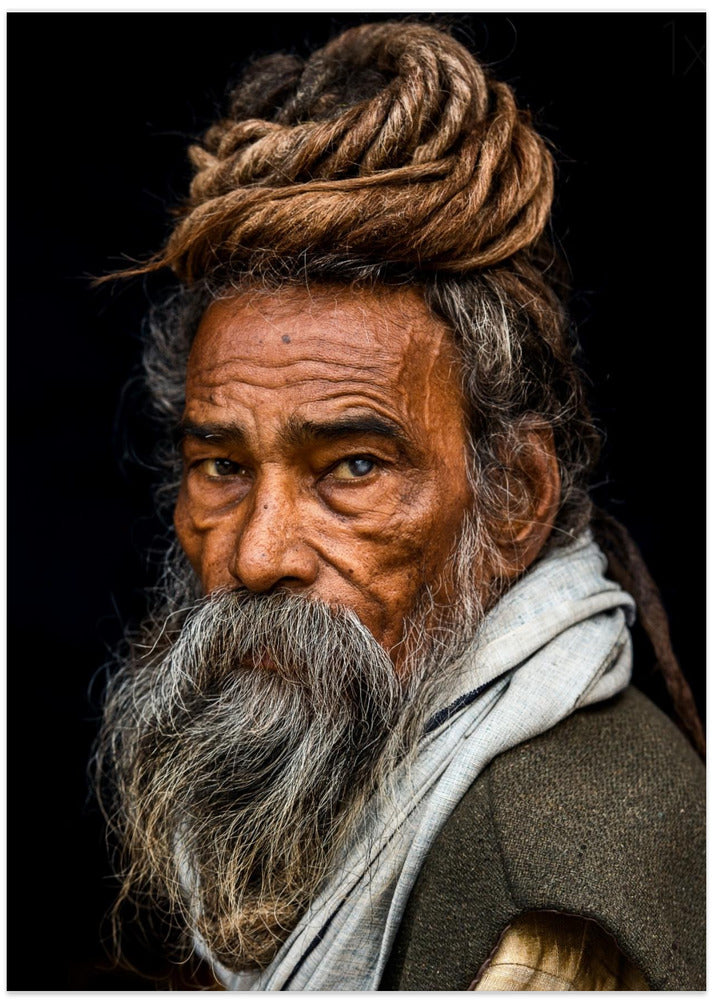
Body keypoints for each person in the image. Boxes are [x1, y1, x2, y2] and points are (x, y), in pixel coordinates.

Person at [96, 20, 705, 991]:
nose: (256, 556)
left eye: (351, 467)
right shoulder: (359, 744)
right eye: (221, 466)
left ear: (514, 497)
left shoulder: (539, 910)